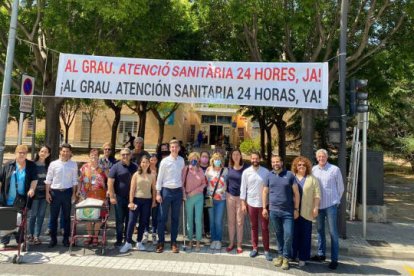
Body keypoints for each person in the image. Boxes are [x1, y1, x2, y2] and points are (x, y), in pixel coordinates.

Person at [262, 155, 300, 270]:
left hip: (288, 212)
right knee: (278, 234)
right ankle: (280, 256)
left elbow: (296, 194)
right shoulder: (269, 175)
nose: (275, 164)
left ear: (282, 163)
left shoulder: (289, 175)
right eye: (273, 162)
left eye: (277, 161)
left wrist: (296, 209)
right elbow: (264, 192)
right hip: (274, 211)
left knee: (288, 235)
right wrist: (264, 207)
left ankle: (286, 257)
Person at [311, 149, 344, 270]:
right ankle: (321, 254)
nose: (321, 158)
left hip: (331, 206)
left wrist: (336, 201)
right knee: (319, 231)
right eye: (319, 156)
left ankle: (334, 259)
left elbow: (340, 188)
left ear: (327, 156)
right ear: (316, 157)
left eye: (323, 156)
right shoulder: (313, 170)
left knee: (333, 233)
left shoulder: (335, 169)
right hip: (318, 206)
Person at [0, 145, 38, 247]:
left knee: (19, 220)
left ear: (27, 154)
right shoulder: (8, 165)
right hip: (7, 199)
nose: (22, 154)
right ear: (15, 153)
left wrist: (32, 189)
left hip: (21, 200)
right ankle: (4, 242)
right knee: (5, 219)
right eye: (20, 152)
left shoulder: (31, 165)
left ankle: (20, 242)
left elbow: (34, 179)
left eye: (24, 153)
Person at [120, 156, 156, 253]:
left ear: (149, 163)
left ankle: (139, 242)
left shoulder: (152, 175)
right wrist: (131, 202)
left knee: (143, 222)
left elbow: (154, 190)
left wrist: (153, 201)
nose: (145, 164)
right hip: (136, 200)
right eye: (143, 162)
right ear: (140, 163)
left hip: (147, 201)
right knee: (131, 222)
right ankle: (127, 243)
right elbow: (132, 189)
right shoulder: (136, 175)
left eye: (147, 162)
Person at [45, 143, 78, 248]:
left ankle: (66, 240)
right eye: (63, 151)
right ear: (60, 151)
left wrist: (73, 194)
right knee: (54, 217)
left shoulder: (73, 164)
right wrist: (47, 193)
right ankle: (53, 239)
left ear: (70, 153)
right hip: (55, 193)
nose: (65, 153)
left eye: (67, 151)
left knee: (67, 217)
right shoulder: (53, 164)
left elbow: (74, 181)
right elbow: (48, 180)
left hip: (67, 192)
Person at [240, 152, 271, 260]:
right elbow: (243, 189)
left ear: (260, 159)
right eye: (253, 159)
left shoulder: (266, 172)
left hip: (263, 205)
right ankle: (255, 248)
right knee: (254, 227)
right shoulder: (246, 172)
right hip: (251, 203)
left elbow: (269, 188)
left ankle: (267, 250)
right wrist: (243, 204)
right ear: (250, 159)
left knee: (264, 227)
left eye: (257, 158)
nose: (255, 160)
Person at [155, 139, 185, 253]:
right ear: (169, 148)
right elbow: (159, 178)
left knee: (175, 219)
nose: (174, 149)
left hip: (177, 192)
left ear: (179, 148)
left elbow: (182, 178)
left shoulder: (181, 161)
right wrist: (158, 193)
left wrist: (183, 192)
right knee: (162, 218)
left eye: (176, 147)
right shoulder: (164, 161)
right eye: (172, 147)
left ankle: (173, 242)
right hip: (166, 191)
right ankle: (161, 242)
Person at [291, 156, 321, 267]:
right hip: (293, 212)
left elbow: (317, 195)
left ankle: (303, 258)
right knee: (293, 235)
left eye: (303, 165)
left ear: (307, 166)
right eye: (299, 165)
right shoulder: (291, 177)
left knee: (305, 236)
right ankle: (293, 255)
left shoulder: (312, 179)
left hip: (307, 212)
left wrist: (316, 207)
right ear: (296, 166)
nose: (301, 166)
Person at [107, 148, 138, 246]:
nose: (125, 156)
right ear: (120, 155)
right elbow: (110, 182)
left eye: (127, 154)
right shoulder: (115, 167)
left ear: (131, 155)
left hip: (132, 198)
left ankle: (128, 239)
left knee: (130, 220)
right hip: (119, 198)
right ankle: (119, 239)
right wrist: (112, 196)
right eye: (123, 154)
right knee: (119, 220)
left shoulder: (135, 167)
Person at [78, 148, 108, 246]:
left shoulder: (103, 168)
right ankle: (89, 235)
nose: (93, 157)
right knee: (88, 216)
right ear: (89, 156)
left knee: (98, 217)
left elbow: (109, 181)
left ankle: (95, 237)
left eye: (95, 155)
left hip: (100, 196)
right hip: (86, 195)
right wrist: (78, 192)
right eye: (92, 155)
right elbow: (80, 181)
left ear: (98, 157)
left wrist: (108, 194)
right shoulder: (84, 167)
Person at [182, 152, 207, 252]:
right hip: (188, 197)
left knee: (197, 220)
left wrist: (194, 192)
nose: (194, 159)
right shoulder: (186, 169)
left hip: (198, 197)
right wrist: (184, 194)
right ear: (189, 158)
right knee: (189, 220)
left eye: (196, 158)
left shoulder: (200, 170)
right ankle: (190, 241)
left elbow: (204, 184)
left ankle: (198, 242)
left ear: (198, 160)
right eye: (192, 158)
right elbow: (182, 183)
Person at [225, 149, 247, 254]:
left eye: (237, 154)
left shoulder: (246, 169)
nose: (236, 156)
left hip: (241, 198)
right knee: (230, 221)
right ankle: (231, 243)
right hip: (230, 197)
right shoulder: (228, 168)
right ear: (231, 156)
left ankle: (239, 244)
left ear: (240, 156)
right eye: (233, 154)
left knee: (239, 222)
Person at [29, 146, 51, 245]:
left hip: (44, 194)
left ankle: (37, 236)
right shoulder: (32, 165)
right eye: (42, 151)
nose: (43, 153)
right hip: (35, 194)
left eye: (45, 152)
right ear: (38, 152)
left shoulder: (49, 166)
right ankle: (31, 235)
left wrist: (48, 193)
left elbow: (49, 181)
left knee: (41, 215)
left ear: (48, 154)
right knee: (33, 215)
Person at [205, 152, 228, 250]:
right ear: (212, 160)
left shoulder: (225, 170)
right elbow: (205, 183)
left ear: (221, 160)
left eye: (219, 159)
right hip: (209, 198)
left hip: (221, 199)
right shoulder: (208, 170)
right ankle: (213, 240)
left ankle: (218, 240)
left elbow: (227, 184)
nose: (217, 161)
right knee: (211, 220)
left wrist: (222, 191)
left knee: (218, 221)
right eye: (215, 159)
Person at [199, 151, 211, 238]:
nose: (204, 158)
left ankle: (207, 231)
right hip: (198, 194)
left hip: (208, 195)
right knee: (198, 213)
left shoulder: (211, 168)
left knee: (207, 213)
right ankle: (197, 231)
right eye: (203, 156)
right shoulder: (196, 167)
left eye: (206, 157)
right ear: (200, 158)